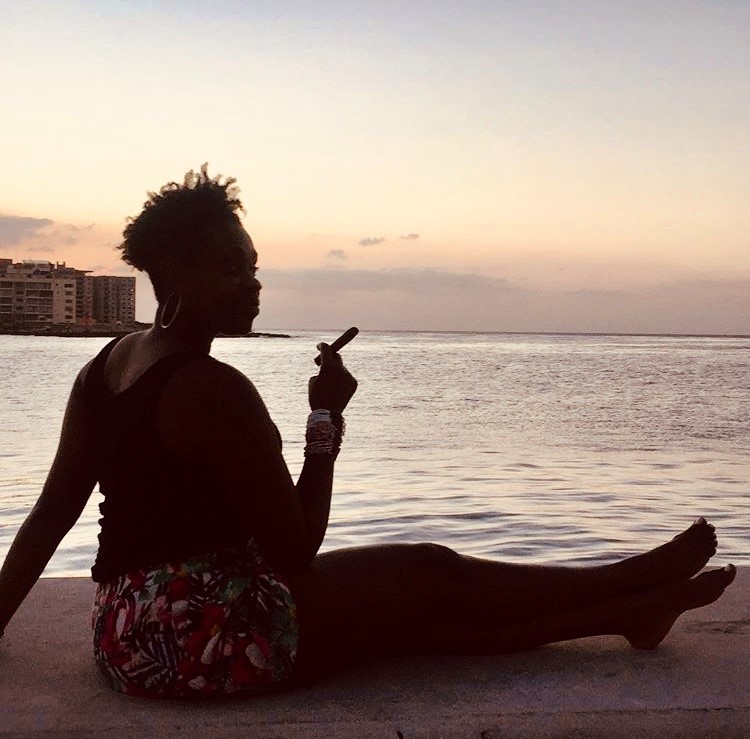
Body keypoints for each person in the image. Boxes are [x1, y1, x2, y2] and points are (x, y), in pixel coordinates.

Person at [0, 166, 736, 698]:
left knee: (415, 606)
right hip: (208, 638)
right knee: (430, 575)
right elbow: (297, 548)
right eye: (232, 269)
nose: (254, 285)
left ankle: (632, 600)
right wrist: (326, 417)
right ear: (172, 275)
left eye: (254, 267)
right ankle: (630, 587)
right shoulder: (213, 390)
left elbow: (48, 516)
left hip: (126, 632)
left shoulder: (107, 365)